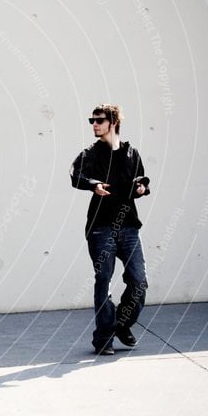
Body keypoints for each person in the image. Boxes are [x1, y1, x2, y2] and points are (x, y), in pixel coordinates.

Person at [70, 104, 150, 355]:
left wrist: (141, 188)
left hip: (129, 227)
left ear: (113, 122)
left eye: (99, 120)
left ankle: (122, 324)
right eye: (91, 120)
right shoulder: (89, 154)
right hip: (100, 228)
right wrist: (92, 184)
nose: (94, 124)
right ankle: (103, 337)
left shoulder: (131, 153)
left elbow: (140, 179)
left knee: (138, 282)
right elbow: (75, 174)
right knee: (103, 280)